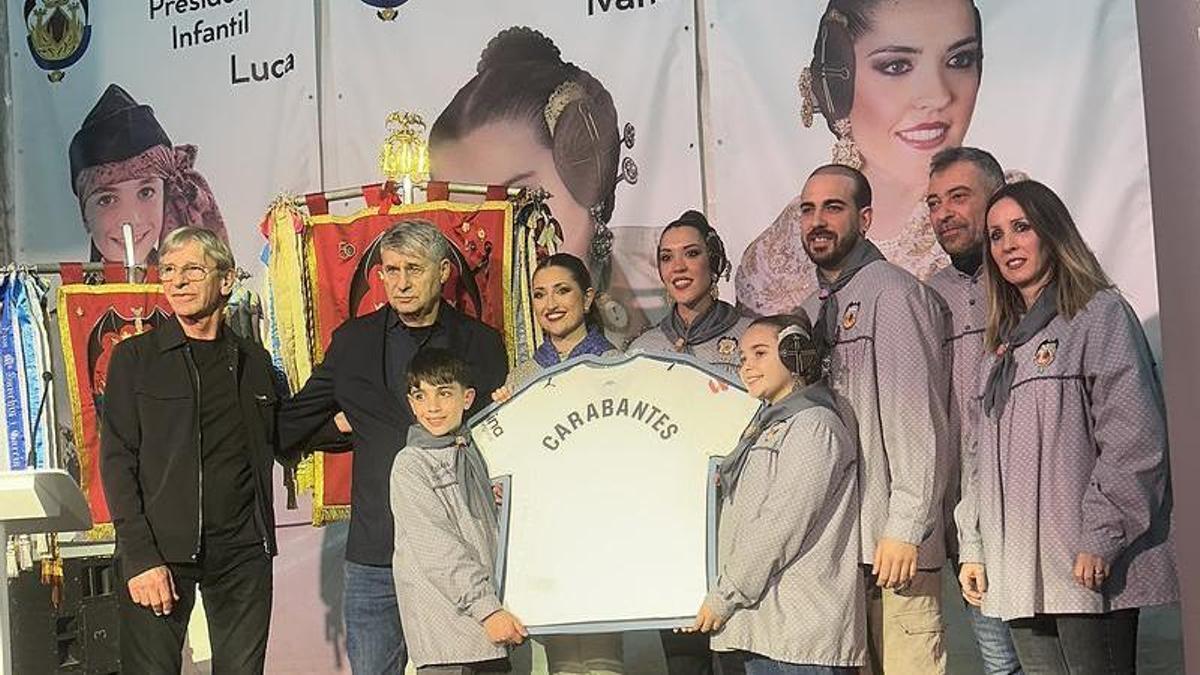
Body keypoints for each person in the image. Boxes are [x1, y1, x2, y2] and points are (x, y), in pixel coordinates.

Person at [958, 180, 1178, 674]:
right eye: (995, 236)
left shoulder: (1099, 315)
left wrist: (1102, 535)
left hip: (1082, 568)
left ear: (1053, 232)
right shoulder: (1001, 345)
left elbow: (1134, 440)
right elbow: (976, 458)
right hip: (1018, 569)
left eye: (1021, 228)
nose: (1008, 245)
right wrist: (974, 545)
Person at [278, 220, 509, 674]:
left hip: (458, 559)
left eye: (413, 269)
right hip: (375, 556)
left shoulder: (480, 343)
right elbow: (293, 421)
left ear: (443, 272)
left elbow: (497, 435)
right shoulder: (353, 342)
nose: (400, 283)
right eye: (390, 270)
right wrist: (345, 430)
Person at [99, 227, 280, 672]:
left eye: (192, 270)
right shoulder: (135, 359)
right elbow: (117, 461)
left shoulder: (254, 360)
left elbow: (286, 433)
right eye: (169, 271)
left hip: (242, 554)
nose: (177, 282)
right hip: (161, 553)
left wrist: (352, 418)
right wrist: (140, 557)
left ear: (226, 280)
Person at [796, 164, 951, 674]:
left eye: (832, 208)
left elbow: (919, 421)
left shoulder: (894, 295)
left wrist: (905, 527)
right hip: (842, 551)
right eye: (808, 209)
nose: (817, 221)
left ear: (864, 219)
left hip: (891, 548)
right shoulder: (814, 308)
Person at [737, 0, 982, 316]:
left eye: (960, 60)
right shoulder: (789, 241)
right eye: (896, 66)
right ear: (837, 81)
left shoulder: (1000, 211)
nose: (938, 95)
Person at [429, 26, 645, 337]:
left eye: (520, 202)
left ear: (591, 176)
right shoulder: (461, 345)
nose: (488, 244)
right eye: (465, 219)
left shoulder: (661, 319)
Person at [684, 314, 865, 675]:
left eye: (760, 353)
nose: (747, 366)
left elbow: (781, 525)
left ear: (794, 354)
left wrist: (724, 595)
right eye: (743, 357)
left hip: (801, 640)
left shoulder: (814, 426)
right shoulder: (767, 426)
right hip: (767, 633)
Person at [629, 210, 749, 675]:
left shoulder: (752, 340)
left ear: (715, 260)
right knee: (685, 667)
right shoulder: (643, 350)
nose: (678, 267)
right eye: (667, 258)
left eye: (691, 254)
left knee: (739, 662)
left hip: (740, 530)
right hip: (675, 536)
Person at [491, 252, 624, 675]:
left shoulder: (622, 366)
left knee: (604, 658)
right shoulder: (521, 378)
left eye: (562, 291)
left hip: (602, 531)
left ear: (587, 299)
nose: (551, 303)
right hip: (544, 537)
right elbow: (503, 458)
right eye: (539, 294)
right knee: (563, 661)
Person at [924, 147, 1023, 675]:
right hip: (970, 523)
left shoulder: (1032, 283)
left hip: (1035, 515)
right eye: (934, 203)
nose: (944, 214)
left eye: (958, 197)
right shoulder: (929, 294)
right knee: (998, 662)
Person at [391, 347, 527, 674]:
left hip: (488, 635)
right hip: (449, 641)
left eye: (444, 393)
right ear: (411, 403)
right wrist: (487, 610)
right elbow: (438, 550)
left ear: (467, 399)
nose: (433, 407)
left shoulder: (471, 449)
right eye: (420, 396)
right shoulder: (411, 465)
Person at [69, 83, 227, 264]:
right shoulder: (73, 291)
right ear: (85, 216)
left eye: (146, 193)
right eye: (107, 200)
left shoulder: (191, 289)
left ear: (165, 198)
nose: (131, 220)